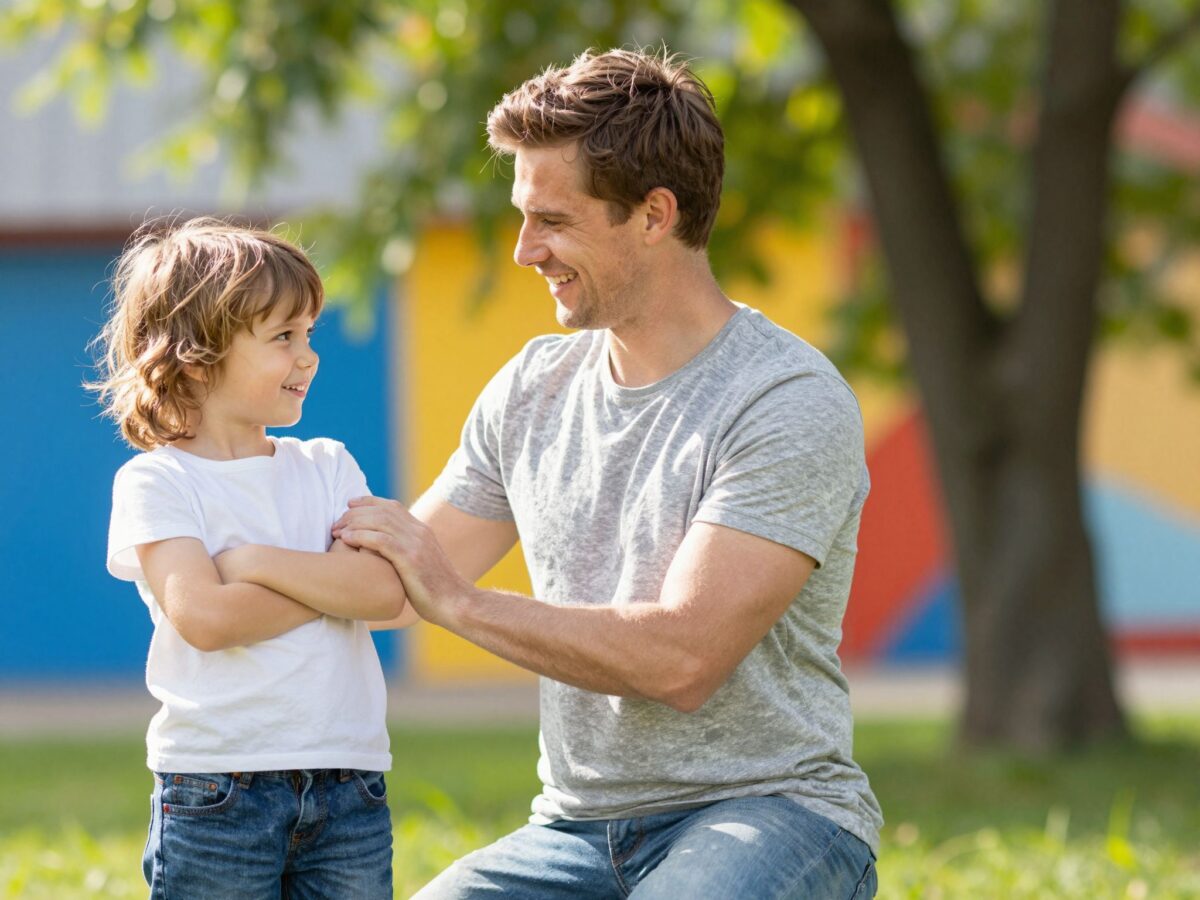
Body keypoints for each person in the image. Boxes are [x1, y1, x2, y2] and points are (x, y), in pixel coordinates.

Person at [338, 48, 882, 898]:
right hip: (573, 831)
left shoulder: (784, 398)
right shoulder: (532, 388)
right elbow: (393, 583)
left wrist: (461, 602)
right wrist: (213, 533)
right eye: (523, 217)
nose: (524, 251)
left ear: (655, 214)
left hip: (771, 813)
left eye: (552, 220)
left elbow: (682, 658)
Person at [95, 218, 416, 899]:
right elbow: (207, 618)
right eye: (283, 338)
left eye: (309, 335)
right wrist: (331, 582)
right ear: (197, 354)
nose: (310, 356)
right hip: (218, 791)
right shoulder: (158, 483)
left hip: (349, 783)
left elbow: (385, 595)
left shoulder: (327, 466)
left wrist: (253, 560)